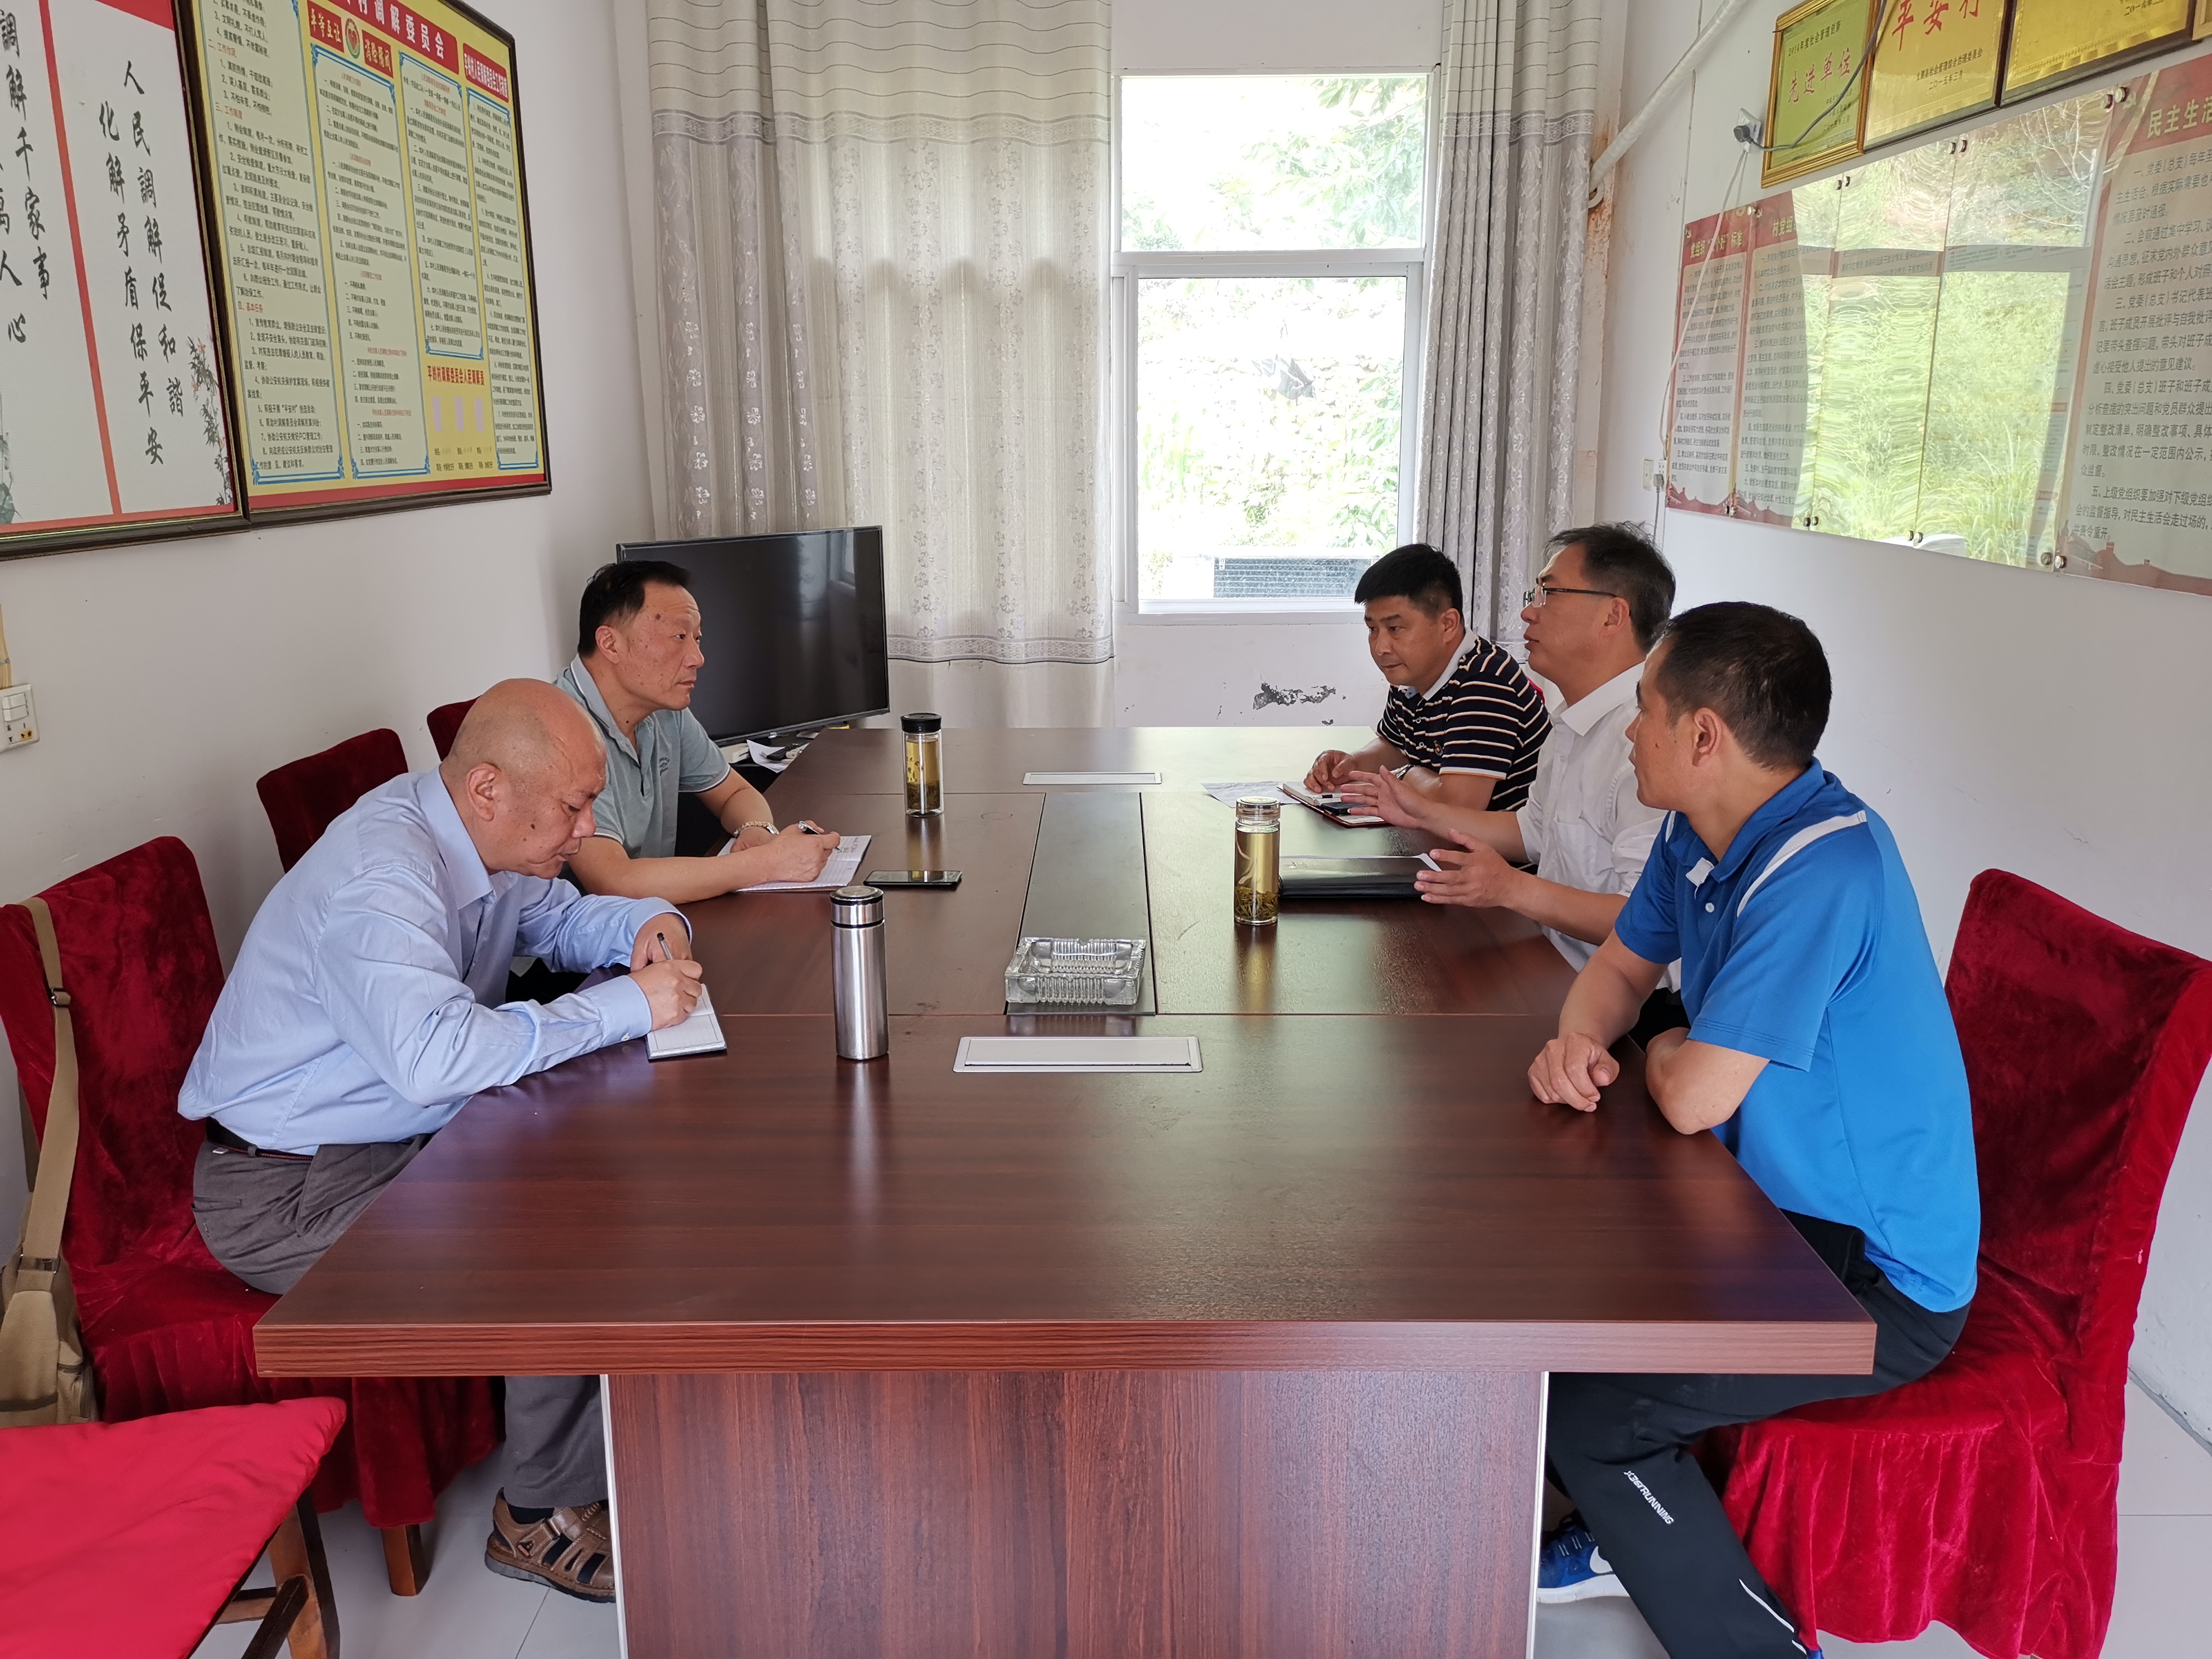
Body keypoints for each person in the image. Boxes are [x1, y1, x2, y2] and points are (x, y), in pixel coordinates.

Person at [181, 680, 707, 1604]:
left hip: (386, 1134)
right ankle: (537, 1514)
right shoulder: (381, 877)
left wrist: (647, 923)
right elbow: (437, 1057)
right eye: (574, 806)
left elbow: (559, 920)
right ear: (489, 788)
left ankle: (621, 1440)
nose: (588, 829)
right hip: (285, 1187)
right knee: (556, 1233)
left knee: (592, 1162)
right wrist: (626, 1005)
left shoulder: (476, 835)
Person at [1524, 603, 1980, 1658]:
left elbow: (1692, 1097)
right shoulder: (1701, 826)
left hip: (1875, 1274)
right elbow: (1621, 969)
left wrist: (1658, 1044)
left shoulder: (1824, 868)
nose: (1628, 731)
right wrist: (1578, 1041)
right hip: (1760, 1204)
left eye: (1644, 709)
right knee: (1550, 1290)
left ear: (1703, 735)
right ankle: (1619, 1528)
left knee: (1590, 1418)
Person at [1340, 525, 1676, 1008]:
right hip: (1551, 959)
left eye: (1549, 594)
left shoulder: (1648, 739)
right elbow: (1531, 832)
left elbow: (1645, 919)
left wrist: (1512, 888)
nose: (1528, 611)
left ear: (1613, 615)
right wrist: (1418, 810)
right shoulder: (1572, 721)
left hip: (1624, 1003)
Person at [556, 559, 840, 904]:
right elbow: (615, 881)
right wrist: (765, 863)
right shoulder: (560, 730)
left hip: (655, 918)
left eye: (697, 638)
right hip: (587, 932)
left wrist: (757, 830)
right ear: (610, 644)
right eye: (679, 636)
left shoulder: (662, 710)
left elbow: (736, 793)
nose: (698, 658)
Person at [1303, 542, 1548, 813]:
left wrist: (1406, 774)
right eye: (1373, 629)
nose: (1380, 647)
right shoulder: (1409, 675)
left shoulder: (1486, 682)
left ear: (1447, 625)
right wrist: (1353, 763)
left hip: (1497, 841)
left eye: (1395, 628)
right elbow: (1396, 745)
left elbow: (1458, 806)